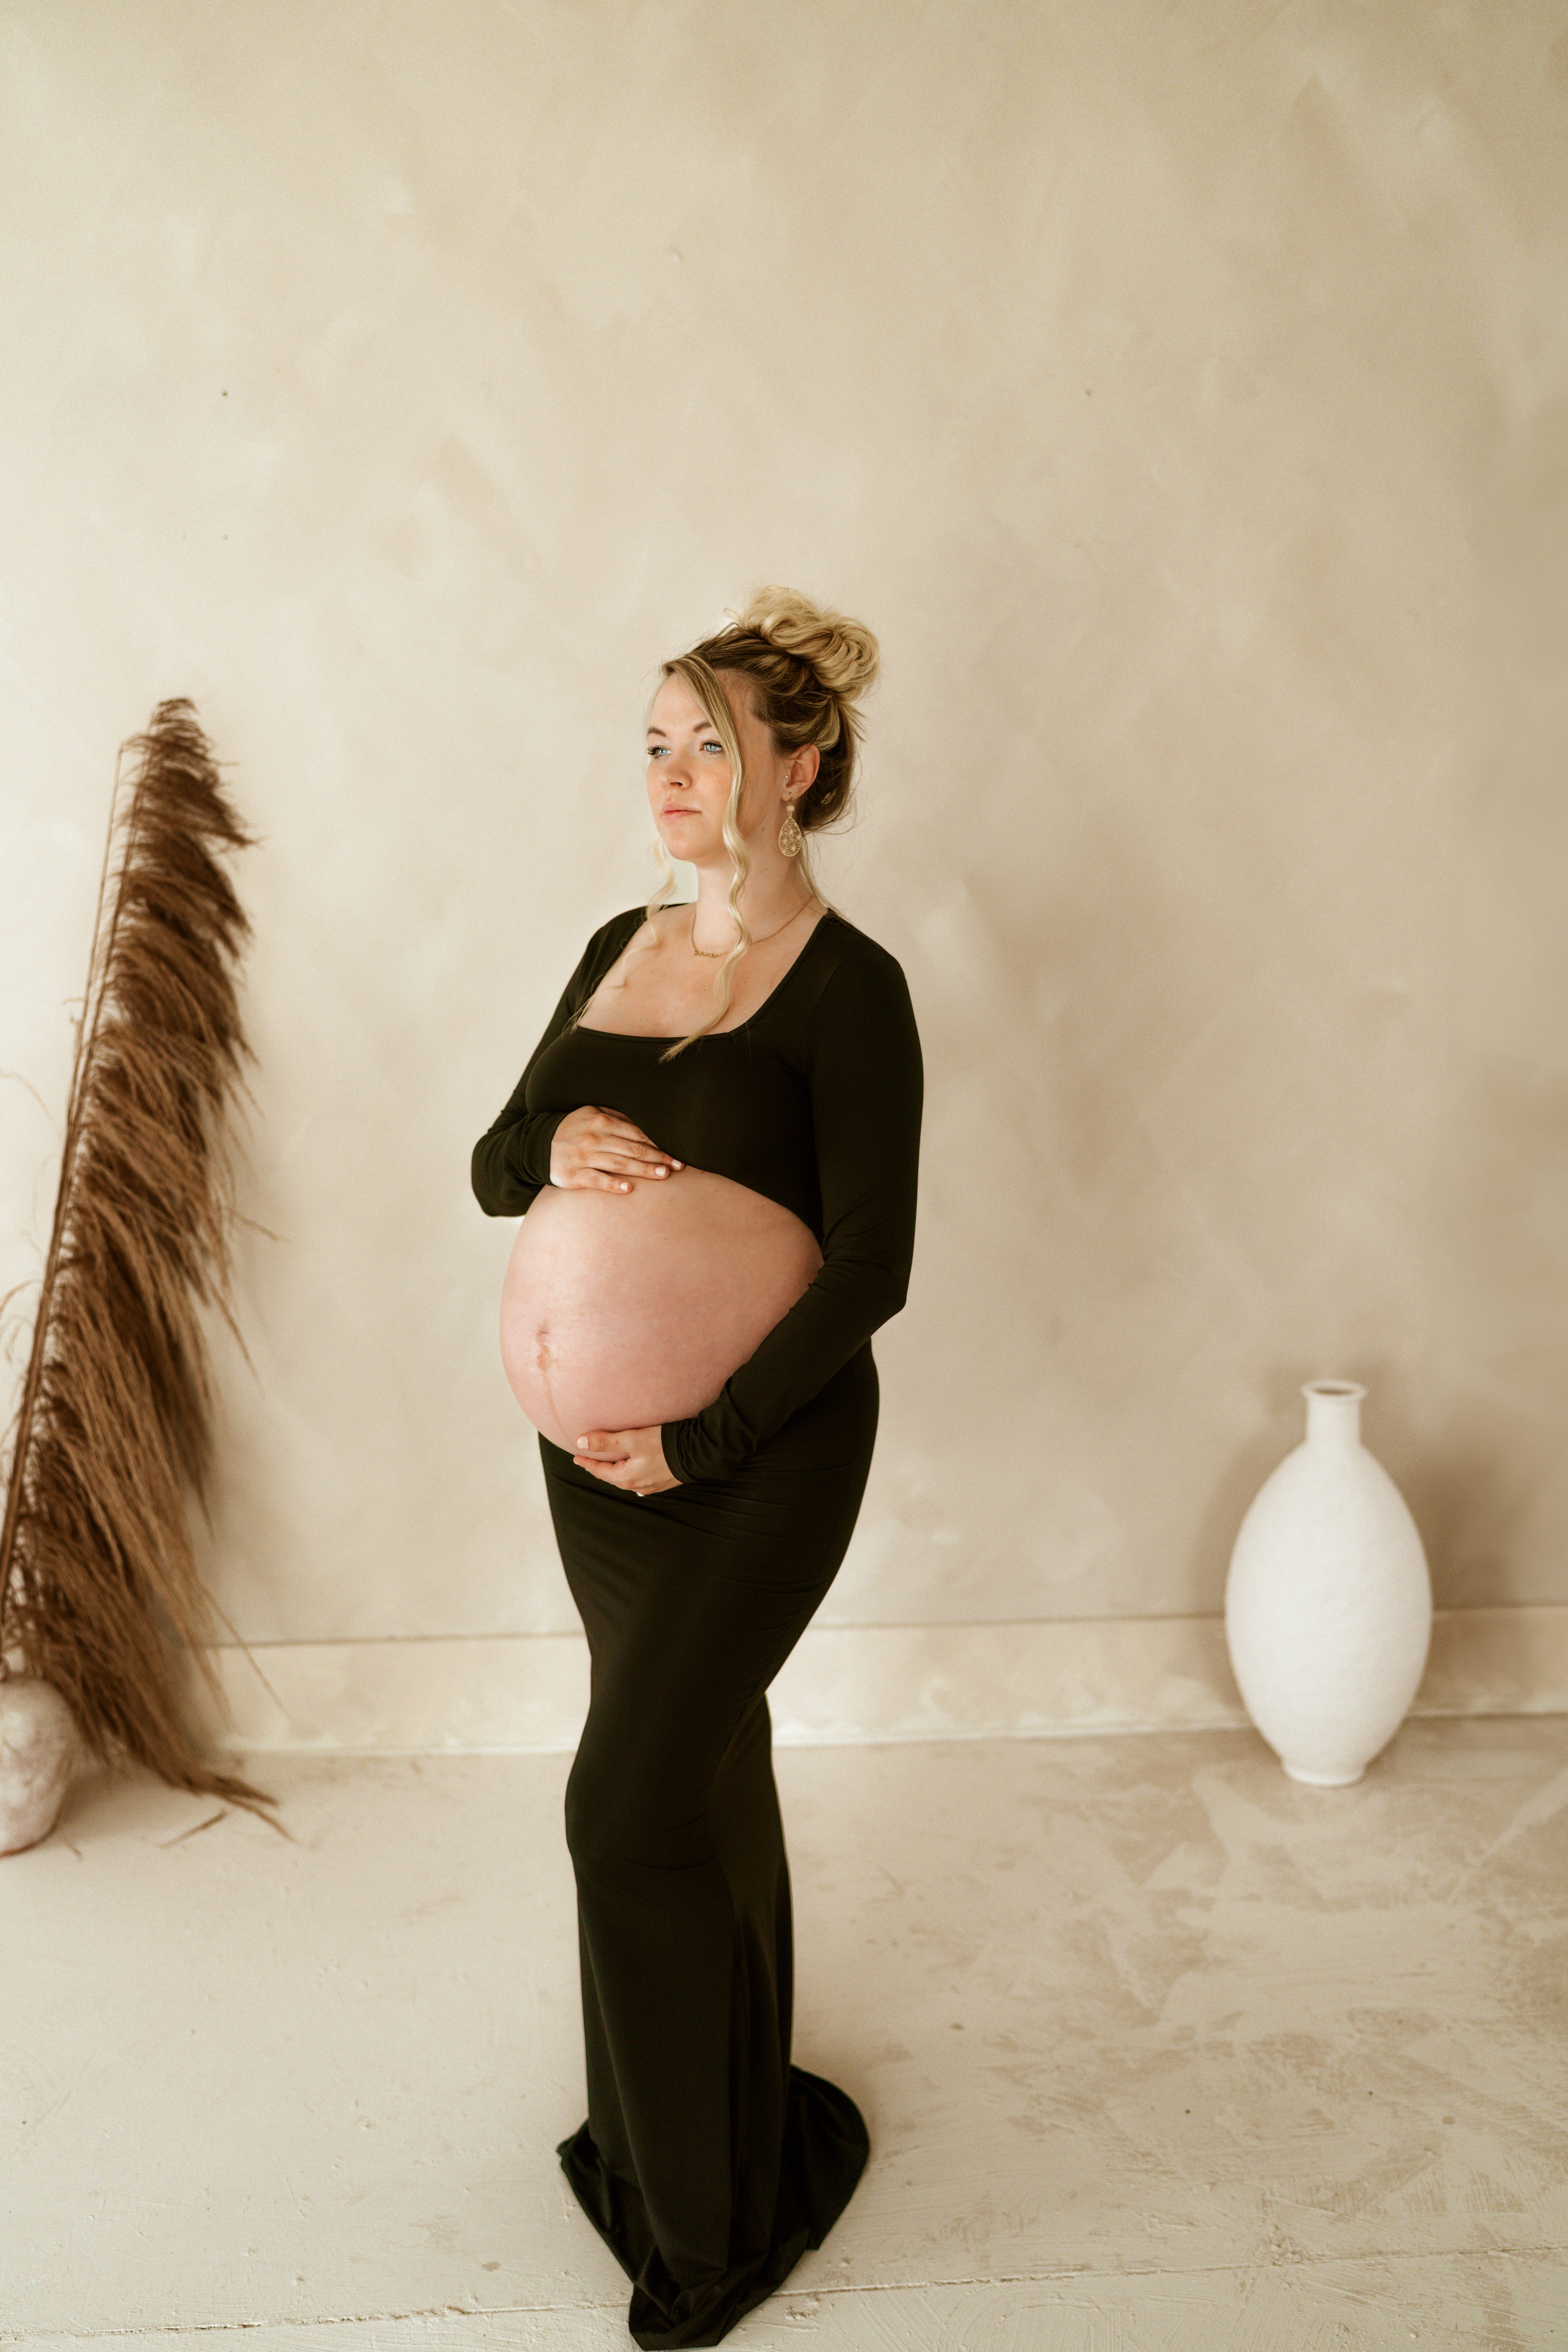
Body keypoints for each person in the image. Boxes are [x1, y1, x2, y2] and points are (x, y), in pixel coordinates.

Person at [470, 587, 923, 2347]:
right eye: (655, 743)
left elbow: (871, 1270)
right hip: (600, 1476)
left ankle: (710, 2244)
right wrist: (556, 1135)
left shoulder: (856, 992)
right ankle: (696, 2151)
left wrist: (701, 1437)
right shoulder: (616, 941)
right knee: (703, 1773)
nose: (670, 775)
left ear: (798, 768)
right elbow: (497, 1160)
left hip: (756, 1465)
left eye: (709, 744)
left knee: (622, 1809)